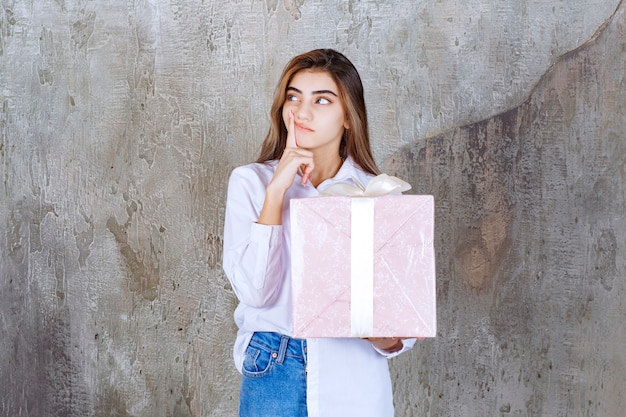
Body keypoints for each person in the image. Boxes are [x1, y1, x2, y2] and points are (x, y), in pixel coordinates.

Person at [222, 49, 416, 417]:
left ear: (348, 117)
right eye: (293, 97)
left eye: (322, 100)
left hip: (353, 368)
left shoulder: (379, 191)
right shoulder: (252, 182)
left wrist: (383, 331)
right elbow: (255, 291)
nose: (301, 112)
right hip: (275, 362)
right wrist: (277, 191)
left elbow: (399, 333)